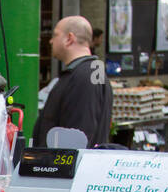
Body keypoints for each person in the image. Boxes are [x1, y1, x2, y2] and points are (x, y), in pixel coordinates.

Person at [31, 15, 112, 147]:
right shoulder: (90, 72)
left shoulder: (86, 76)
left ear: (69, 38)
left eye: (55, 35)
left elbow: (80, 133)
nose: (51, 41)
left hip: (68, 165)